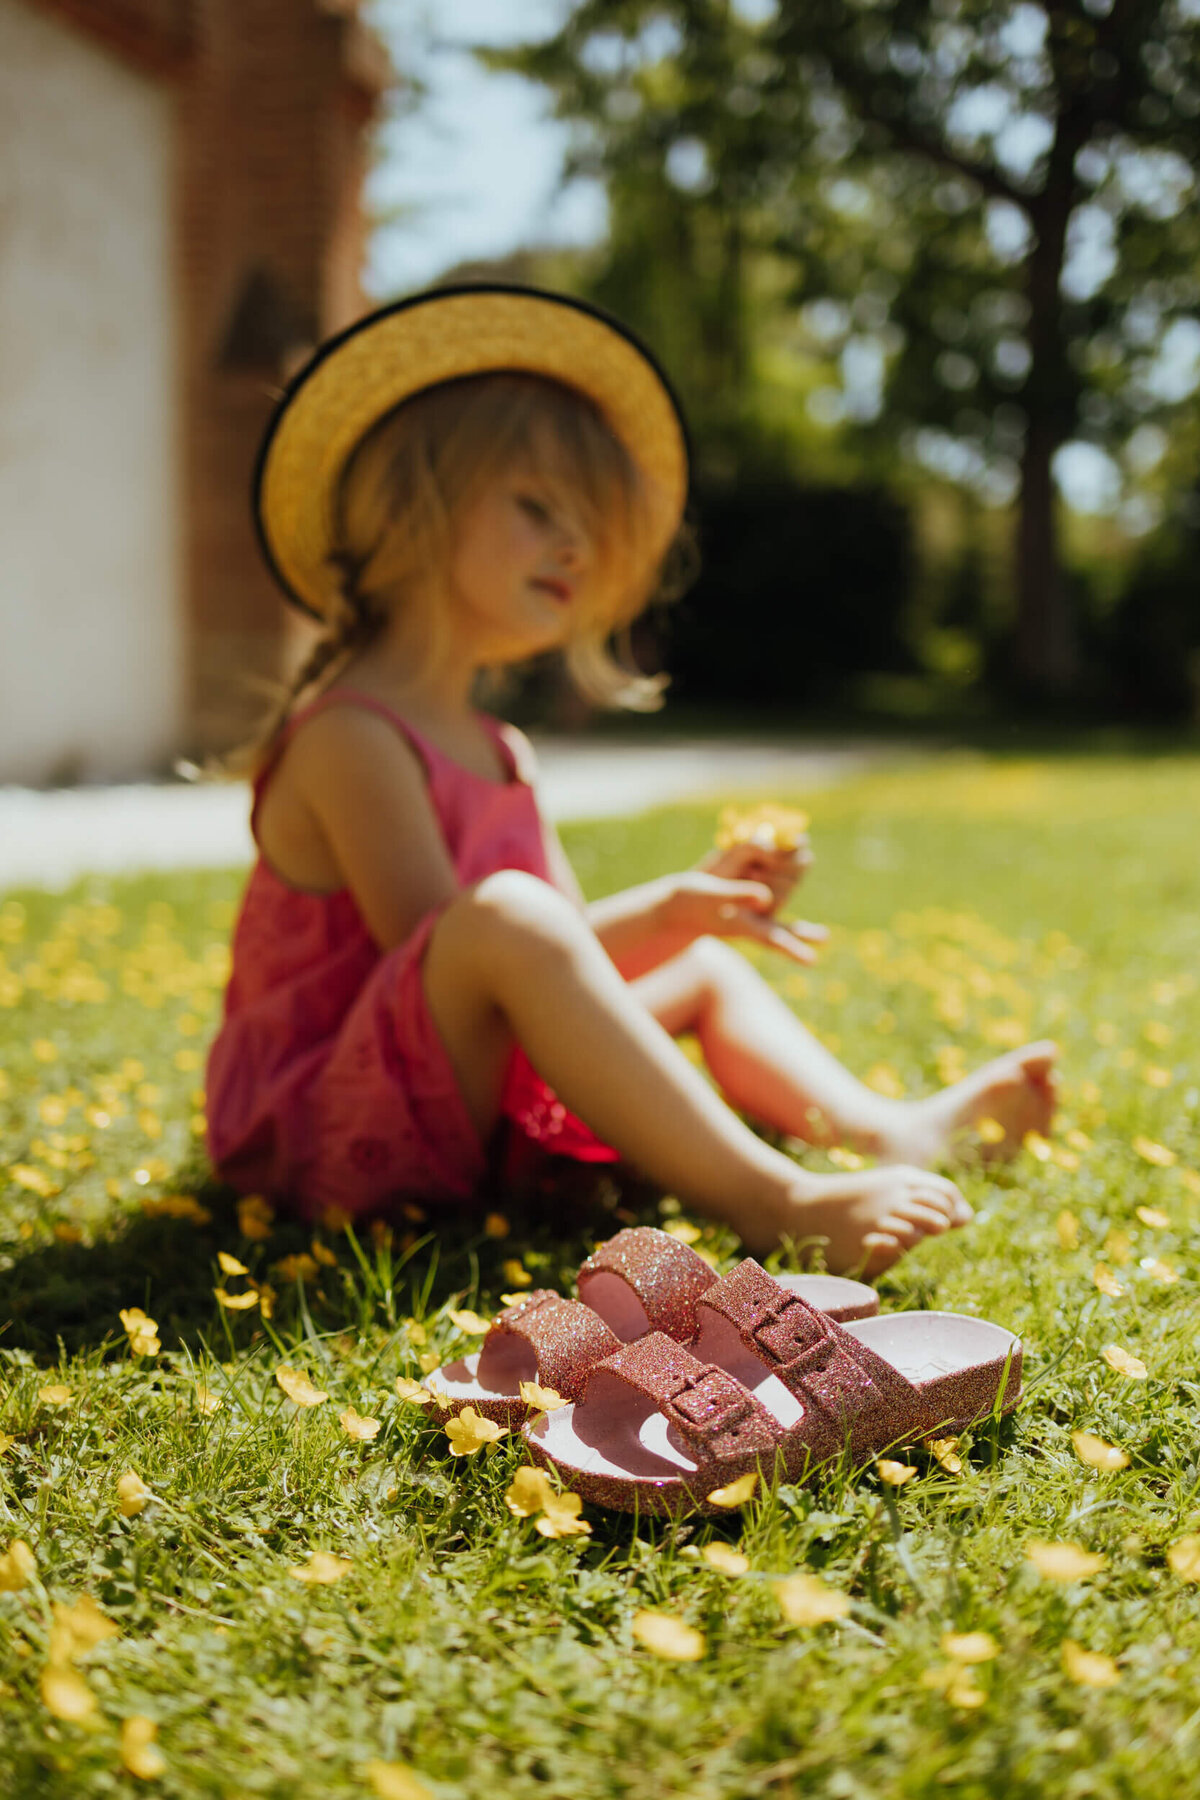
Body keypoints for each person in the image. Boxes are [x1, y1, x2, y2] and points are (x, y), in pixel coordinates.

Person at [204, 285, 1056, 1276]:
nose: (575, 545)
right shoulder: (352, 735)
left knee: (700, 969)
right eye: (536, 506)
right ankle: (778, 1201)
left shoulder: (500, 747)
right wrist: (661, 907)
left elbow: (557, 967)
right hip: (324, 1137)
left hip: (458, 1101)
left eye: (587, 524)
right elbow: (455, 953)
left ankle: (882, 1130)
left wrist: (684, 915)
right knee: (514, 916)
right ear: (411, 505)